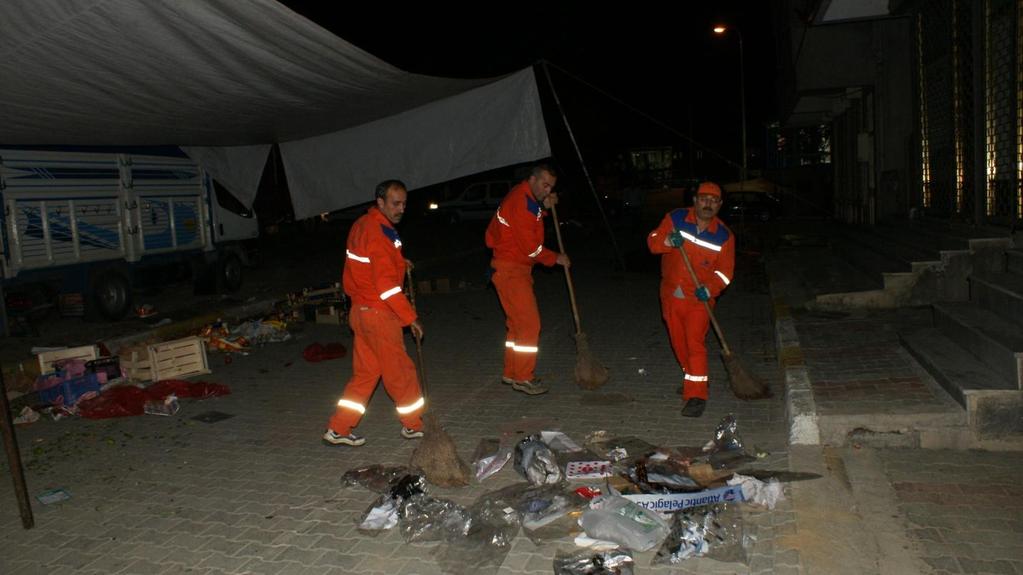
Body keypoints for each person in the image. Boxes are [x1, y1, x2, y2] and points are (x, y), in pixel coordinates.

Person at [323, 180, 425, 446]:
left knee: (367, 374)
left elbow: (370, 261)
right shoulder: (380, 232)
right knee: (401, 371)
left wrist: (399, 262)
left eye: (404, 203)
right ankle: (413, 425)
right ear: (380, 202)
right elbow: (387, 287)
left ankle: (338, 428)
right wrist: (410, 317)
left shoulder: (364, 224)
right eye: (395, 203)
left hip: (360, 311)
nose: (401, 209)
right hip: (379, 314)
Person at [647, 181, 735, 418]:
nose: (708, 204)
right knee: (678, 342)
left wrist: (711, 288)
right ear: (695, 200)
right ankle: (693, 378)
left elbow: (725, 273)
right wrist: (666, 241)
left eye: (714, 200)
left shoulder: (724, 236)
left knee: (694, 343)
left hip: (699, 299)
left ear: (720, 205)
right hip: (671, 295)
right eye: (704, 198)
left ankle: (697, 395)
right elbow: (653, 241)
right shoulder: (675, 219)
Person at [485, 162, 570, 395]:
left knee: (516, 325)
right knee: (531, 324)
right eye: (544, 185)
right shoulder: (521, 203)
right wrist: (556, 258)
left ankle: (511, 372)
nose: (547, 190)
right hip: (511, 270)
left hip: (511, 268)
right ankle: (523, 377)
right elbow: (531, 248)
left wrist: (544, 207)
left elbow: (531, 219)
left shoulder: (525, 197)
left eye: (551, 187)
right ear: (532, 179)